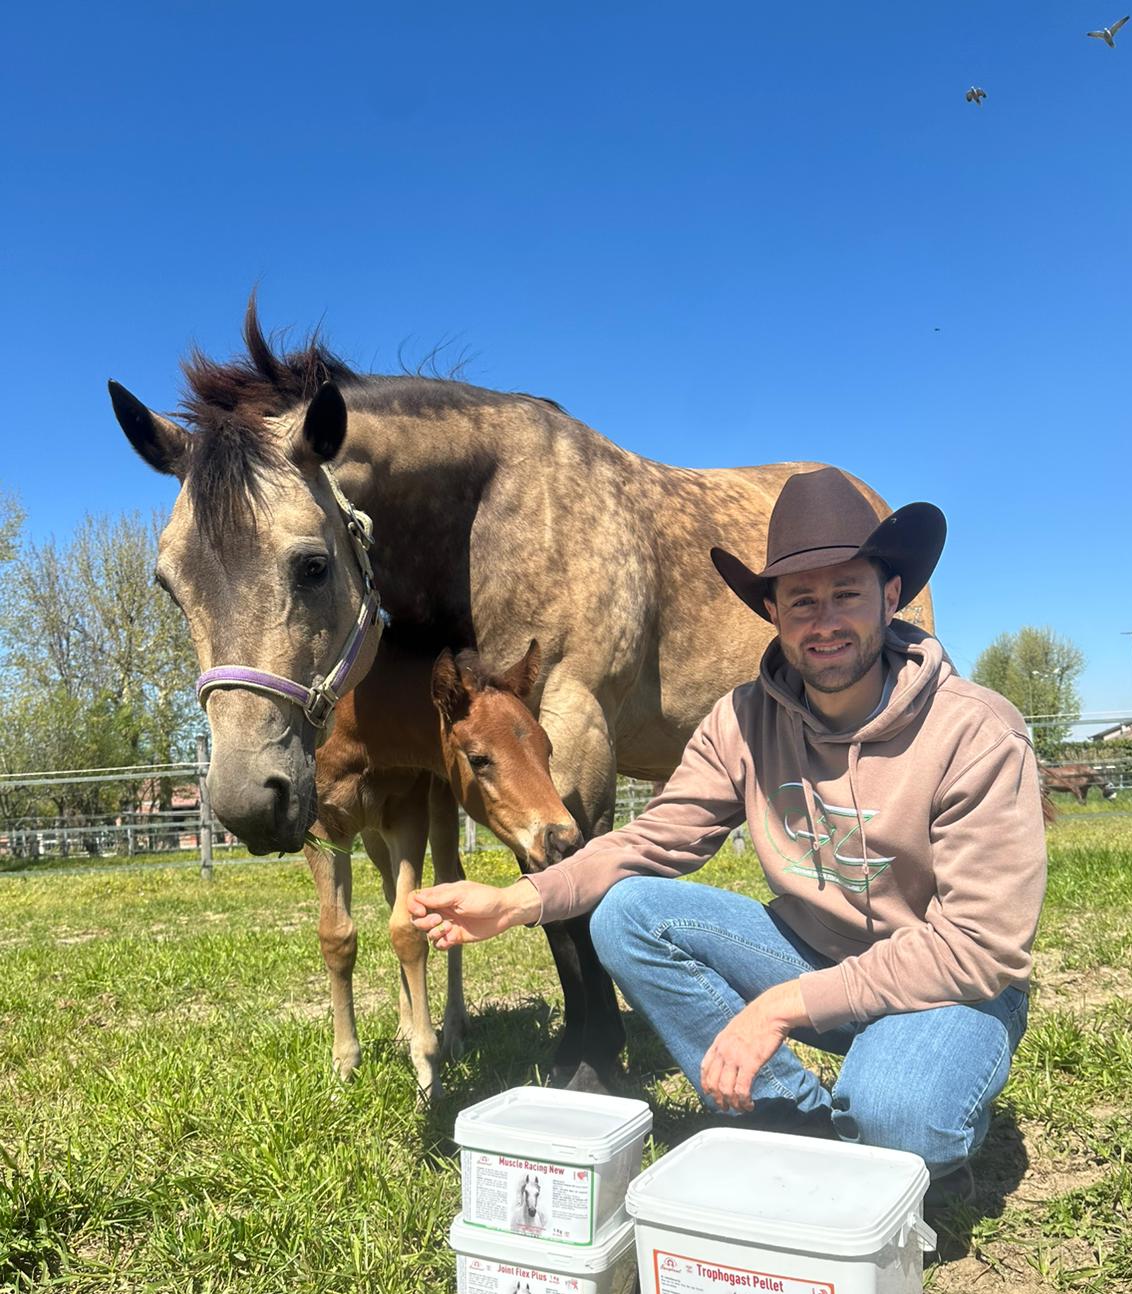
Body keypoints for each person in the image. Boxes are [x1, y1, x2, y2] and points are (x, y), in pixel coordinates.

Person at [410, 469, 1046, 1200]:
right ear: (771, 611)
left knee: (895, 1116)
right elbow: (646, 844)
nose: (825, 621)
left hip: (947, 990)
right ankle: (794, 1122)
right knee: (626, 913)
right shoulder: (743, 721)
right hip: (818, 954)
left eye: (847, 593)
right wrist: (517, 900)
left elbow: (979, 945)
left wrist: (776, 1009)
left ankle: (889, 1117)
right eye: (802, 601)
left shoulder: (976, 730)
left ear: (891, 597)